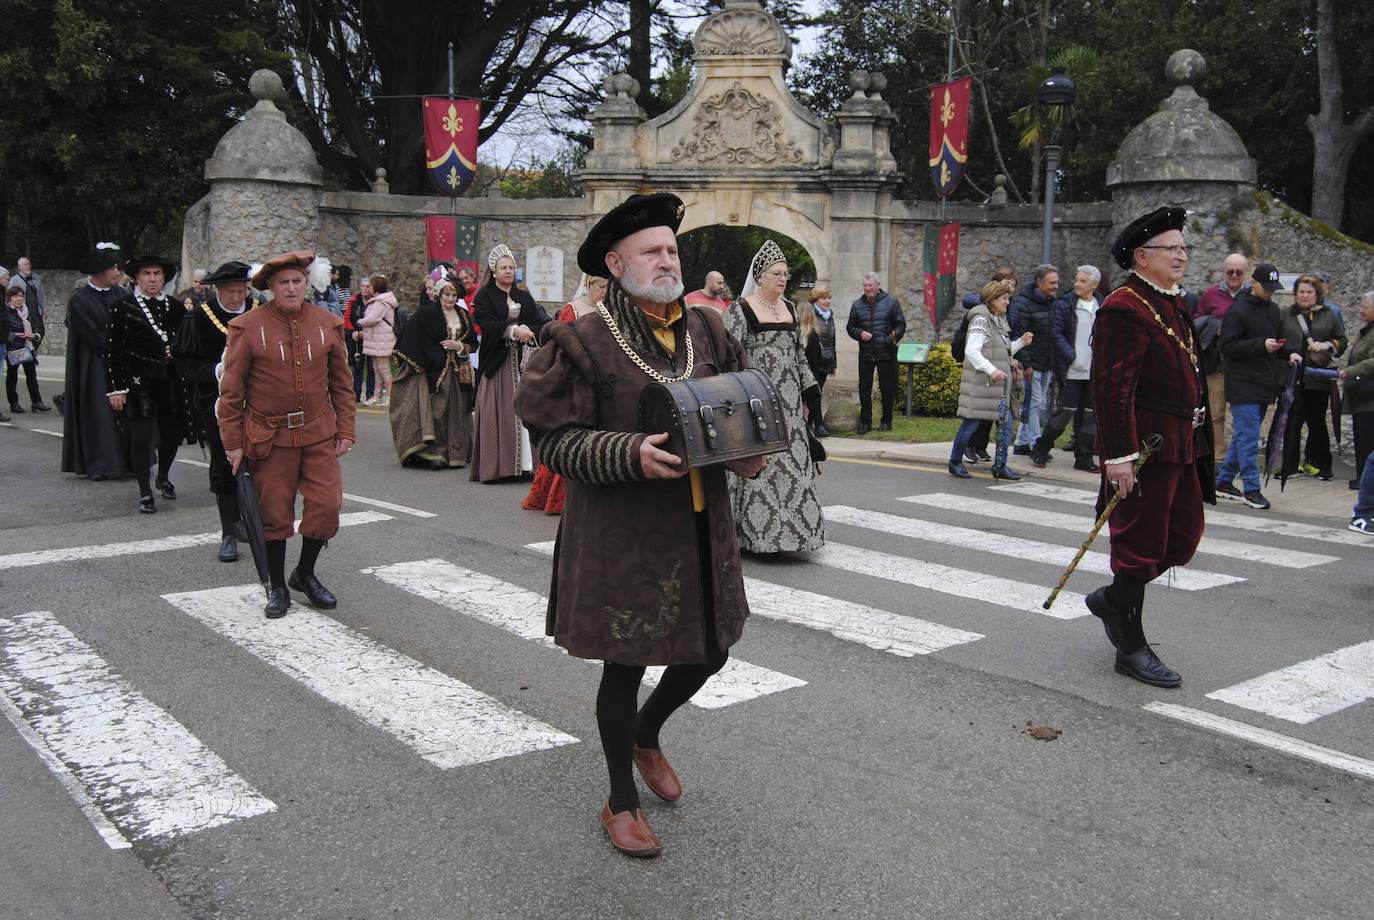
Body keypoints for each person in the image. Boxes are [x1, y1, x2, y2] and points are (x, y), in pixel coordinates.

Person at [515, 191, 766, 859]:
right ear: (615, 263)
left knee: (709, 650)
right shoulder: (576, 339)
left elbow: (743, 404)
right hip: (622, 533)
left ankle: (647, 733)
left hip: (700, 525)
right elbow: (553, 440)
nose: (666, 260)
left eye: (672, 249)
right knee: (625, 665)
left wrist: (749, 450)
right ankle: (619, 798)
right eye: (651, 251)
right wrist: (627, 452)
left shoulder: (711, 330)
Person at [1085, 206, 1216, 688]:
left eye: (1184, 248)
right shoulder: (1124, 306)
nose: (1182, 255)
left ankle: (1114, 600)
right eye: (1172, 248)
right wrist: (1119, 456)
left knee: (1181, 538)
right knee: (1139, 545)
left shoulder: (1171, 301)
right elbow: (1111, 387)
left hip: (1181, 442)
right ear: (1143, 256)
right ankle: (1131, 646)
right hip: (1143, 445)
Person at [218, 250, 356, 619]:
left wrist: (346, 427)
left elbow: (342, 384)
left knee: (327, 507)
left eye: (297, 280)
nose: (291, 288)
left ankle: (305, 573)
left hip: (317, 432)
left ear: (307, 283)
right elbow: (231, 393)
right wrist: (233, 443)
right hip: (268, 436)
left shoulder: (327, 323)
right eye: (283, 282)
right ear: (270, 287)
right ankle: (277, 587)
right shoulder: (247, 327)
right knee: (275, 515)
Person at [724, 241, 825, 552]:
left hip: (791, 404)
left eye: (786, 273)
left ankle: (795, 535)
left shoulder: (791, 309)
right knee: (760, 464)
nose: (783, 279)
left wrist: (809, 392)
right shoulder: (740, 309)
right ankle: (753, 536)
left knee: (792, 465)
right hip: (757, 399)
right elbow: (730, 353)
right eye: (777, 273)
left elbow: (799, 355)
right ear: (761, 276)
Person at [174, 260, 252, 562]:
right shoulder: (199, 319)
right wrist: (217, 370)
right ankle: (228, 533)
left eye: (241, 290)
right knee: (224, 465)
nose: (237, 297)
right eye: (231, 291)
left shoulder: (259, 309)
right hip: (216, 403)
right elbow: (185, 364)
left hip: (258, 403)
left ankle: (251, 520)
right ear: (218, 289)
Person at [106, 255, 191, 514]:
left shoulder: (176, 308)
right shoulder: (123, 307)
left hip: (171, 382)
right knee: (141, 437)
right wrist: (116, 387)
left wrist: (177, 352)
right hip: (138, 382)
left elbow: (187, 343)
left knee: (171, 435)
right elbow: (113, 350)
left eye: (157, 274)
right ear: (137, 278)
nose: (153, 279)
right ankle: (145, 491)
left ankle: (163, 475)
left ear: (164, 277)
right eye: (147, 274)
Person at [1215, 263, 1302, 510]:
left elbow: (1278, 340)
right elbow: (1228, 347)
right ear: (1253, 283)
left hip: (1264, 381)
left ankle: (1223, 482)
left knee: (1245, 435)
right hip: (1242, 382)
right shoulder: (1238, 311)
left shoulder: (1273, 310)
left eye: (1273, 288)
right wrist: (1260, 346)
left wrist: (1290, 352)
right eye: (1266, 287)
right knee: (1249, 437)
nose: (1270, 292)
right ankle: (1251, 488)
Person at [523, 274, 608, 513]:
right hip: (576, 381)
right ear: (590, 285)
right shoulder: (574, 310)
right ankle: (558, 497)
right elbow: (562, 348)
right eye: (602, 286)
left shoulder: (611, 312)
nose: (605, 292)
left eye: (609, 287)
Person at [470, 245, 549, 482]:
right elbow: (485, 323)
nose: (508, 271)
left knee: (526, 410)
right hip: (498, 362)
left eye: (511, 267)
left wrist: (527, 331)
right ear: (494, 271)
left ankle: (527, 466)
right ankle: (500, 467)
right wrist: (513, 330)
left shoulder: (523, 296)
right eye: (503, 267)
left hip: (523, 362)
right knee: (501, 411)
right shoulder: (484, 296)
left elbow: (538, 322)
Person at [389, 277, 476, 469]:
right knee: (438, 411)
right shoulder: (427, 312)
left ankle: (455, 452)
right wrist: (420, 362)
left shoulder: (462, 314)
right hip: (434, 369)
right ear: (439, 294)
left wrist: (459, 345)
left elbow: (472, 343)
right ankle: (436, 453)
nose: (450, 298)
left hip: (457, 372)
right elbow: (411, 335)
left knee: (458, 412)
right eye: (447, 294)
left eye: (454, 295)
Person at [948, 280, 1030, 480]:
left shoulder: (998, 320)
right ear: (992, 300)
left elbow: (1002, 350)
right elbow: (972, 352)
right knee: (971, 424)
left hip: (998, 389)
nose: (1008, 302)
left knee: (1006, 422)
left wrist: (1020, 343)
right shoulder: (981, 321)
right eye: (1004, 298)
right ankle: (955, 461)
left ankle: (1000, 465)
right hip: (982, 387)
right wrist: (992, 370)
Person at [61, 244, 130, 480]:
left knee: (127, 415)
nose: (116, 272)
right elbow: (92, 336)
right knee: (99, 415)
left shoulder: (123, 295)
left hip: (122, 363)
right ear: (98, 272)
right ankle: (100, 465)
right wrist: (118, 347)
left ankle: (130, 462)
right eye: (112, 268)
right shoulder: (80, 300)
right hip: (94, 367)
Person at [1032, 265, 1101, 472]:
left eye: (1082, 281)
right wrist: (1072, 356)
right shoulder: (1066, 304)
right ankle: (1041, 449)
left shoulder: (1102, 304)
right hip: (1071, 370)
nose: (1077, 284)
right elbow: (1057, 334)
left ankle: (1084, 458)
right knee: (1065, 412)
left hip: (1093, 371)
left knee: (1090, 416)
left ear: (1094, 285)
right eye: (1076, 280)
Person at [1279, 273, 1346, 480]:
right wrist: (1288, 352)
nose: (1305, 296)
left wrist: (1326, 345)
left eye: (1309, 292)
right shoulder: (1285, 314)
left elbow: (1342, 341)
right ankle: (1288, 467)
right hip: (1292, 378)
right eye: (1301, 292)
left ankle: (1322, 465)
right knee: (1292, 422)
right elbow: (1278, 340)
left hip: (1317, 378)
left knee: (1317, 422)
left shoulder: (1330, 314)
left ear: (1317, 294)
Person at [1196, 253, 1249, 460]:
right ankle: (1218, 459)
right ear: (1223, 272)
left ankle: (1238, 461)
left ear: (1246, 273)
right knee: (1215, 415)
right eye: (1230, 271)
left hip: (1243, 366)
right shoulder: (1210, 295)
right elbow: (1198, 320)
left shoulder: (1252, 296)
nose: (1234, 275)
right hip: (1217, 365)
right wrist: (1216, 327)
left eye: (1239, 272)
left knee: (1242, 417)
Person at [1009, 264, 1061, 456]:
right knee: (1034, 403)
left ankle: (1022, 442)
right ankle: (1034, 444)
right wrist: (1027, 364)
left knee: (1035, 402)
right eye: (1051, 282)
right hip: (1033, 363)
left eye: (1057, 282)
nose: (1056, 286)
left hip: (1047, 362)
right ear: (1039, 282)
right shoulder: (1024, 305)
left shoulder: (1052, 303)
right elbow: (1019, 334)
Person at [846, 271, 905, 433]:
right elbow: (850, 328)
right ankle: (866, 423)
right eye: (864, 286)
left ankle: (887, 422)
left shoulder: (891, 302)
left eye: (870, 285)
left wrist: (888, 339)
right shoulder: (857, 305)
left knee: (887, 389)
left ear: (878, 285)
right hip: (865, 354)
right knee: (864, 389)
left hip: (886, 353)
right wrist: (860, 334)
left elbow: (900, 326)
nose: (867, 288)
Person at [1339, 291, 1374, 499]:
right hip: (1362, 397)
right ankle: (1362, 477)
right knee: (1362, 439)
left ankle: (1366, 480)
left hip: (1370, 397)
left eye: (1365, 307)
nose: (1361, 311)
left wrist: (1350, 372)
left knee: (1368, 440)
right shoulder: (1367, 331)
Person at [5, 283, 50, 413]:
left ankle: (36, 402)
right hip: (13, 348)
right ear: (10, 298)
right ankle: (14, 403)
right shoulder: (6, 311)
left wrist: (34, 335)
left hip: (27, 348)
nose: (19, 299)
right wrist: (14, 335)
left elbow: (37, 325)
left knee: (31, 375)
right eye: (15, 296)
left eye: (21, 296)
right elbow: (3, 331)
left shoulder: (27, 311)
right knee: (12, 376)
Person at [799, 287, 837, 437]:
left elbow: (832, 341)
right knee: (814, 395)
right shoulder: (811, 317)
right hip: (815, 362)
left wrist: (833, 364)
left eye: (828, 298)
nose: (827, 301)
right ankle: (815, 425)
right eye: (823, 298)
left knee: (816, 394)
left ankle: (814, 424)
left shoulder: (830, 316)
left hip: (825, 360)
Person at [357, 274, 398, 406]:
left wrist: (360, 322)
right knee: (377, 369)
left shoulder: (381, 302)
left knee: (383, 369)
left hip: (382, 340)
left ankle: (389, 396)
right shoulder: (380, 300)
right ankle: (377, 395)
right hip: (377, 340)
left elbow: (372, 319)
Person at [346, 276, 376, 404]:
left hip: (371, 338)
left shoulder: (375, 301)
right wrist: (353, 331)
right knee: (357, 366)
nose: (365, 289)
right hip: (357, 339)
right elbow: (347, 318)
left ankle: (370, 393)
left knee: (371, 367)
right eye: (363, 286)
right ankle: (356, 393)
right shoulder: (354, 301)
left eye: (367, 286)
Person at [12, 256, 47, 320]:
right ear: (20, 267)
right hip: (22, 314)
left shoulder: (37, 278)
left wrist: (44, 309)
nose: (28, 266)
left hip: (36, 313)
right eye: (25, 264)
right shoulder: (14, 280)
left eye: (29, 264)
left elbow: (42, 294)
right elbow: (10, 297)